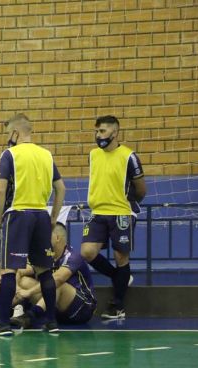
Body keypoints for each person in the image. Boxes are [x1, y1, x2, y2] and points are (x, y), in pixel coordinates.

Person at [0, 113, 66, 336]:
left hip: (17, 214)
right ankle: (51, 322)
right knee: (45, 271)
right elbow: (61, 188)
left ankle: (3, 323)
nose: (7, 138)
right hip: (41, 215)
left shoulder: (10, 154)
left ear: (15, 133)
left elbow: (0, 190)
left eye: (8, 134)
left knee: (8, 270)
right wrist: (53, 217)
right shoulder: (46, 155)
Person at [80, 115, 146, 320]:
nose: (98, 135)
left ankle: (118, 306)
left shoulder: (129, 156)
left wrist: (126, 203)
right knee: (87, 252)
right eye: (96, 131)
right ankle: (119, 278)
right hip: (98, 212)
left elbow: (141, 189)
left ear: (115, 132)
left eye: (102, 131)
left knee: (120, 257)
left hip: (121, 212)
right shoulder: (93, 155)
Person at [12, 223, 97, 328]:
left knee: (55, 283)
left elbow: (58, 279)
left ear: (57, 238)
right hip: (57, 309)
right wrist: (17, 288)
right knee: (24, 281)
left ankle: (30, 316)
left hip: (82, 309)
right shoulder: (46, 256)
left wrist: (29, 292)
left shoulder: (73, 256)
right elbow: (20, 271)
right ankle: (5, 310)